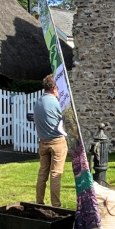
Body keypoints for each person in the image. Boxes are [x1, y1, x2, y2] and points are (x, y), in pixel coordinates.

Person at [34, 74, 67, 208]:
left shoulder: (38, 101)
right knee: (55, 174)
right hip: (57, 141)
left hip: (43, 141)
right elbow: (68, 121)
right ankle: (56, 205)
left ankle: (39, 202)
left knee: (43, 172)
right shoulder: (56, 103)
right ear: (55, 88)